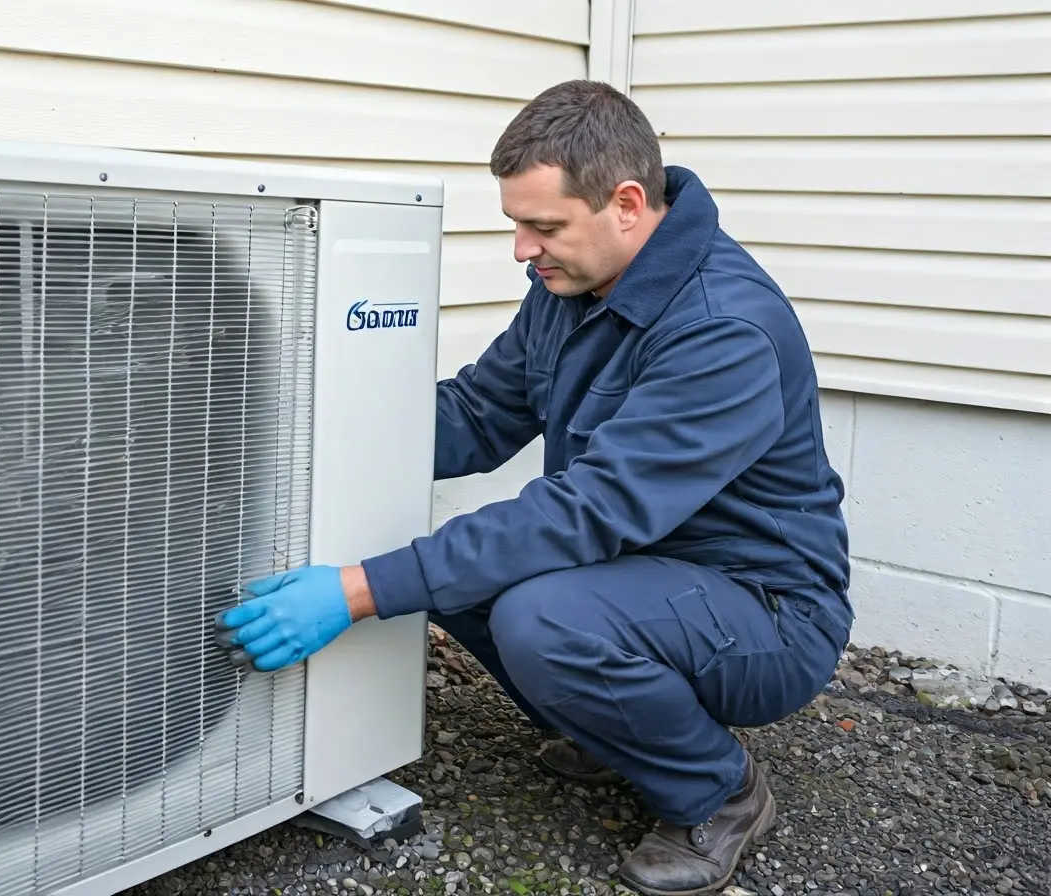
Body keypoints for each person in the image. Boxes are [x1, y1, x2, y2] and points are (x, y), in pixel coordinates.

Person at [213, 79, 854, 896]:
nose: (522, 248)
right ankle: (618, 728)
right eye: (518, 223)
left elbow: (590, 512)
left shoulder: (721, 330)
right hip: (645, 575)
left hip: (764, 611)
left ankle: (718, 792)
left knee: (532, 611)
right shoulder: (574, 285)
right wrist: (295, 432)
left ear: (626, 204)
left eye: (543, 226)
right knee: (463, 569)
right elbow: (481, 414)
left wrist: (355, 590)